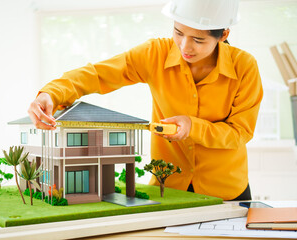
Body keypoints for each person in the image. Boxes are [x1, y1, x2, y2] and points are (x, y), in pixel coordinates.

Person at [28, 0, 263, 201]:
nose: (185, 46)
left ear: (223, 35)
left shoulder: (244, 67)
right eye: (178, 33)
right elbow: (98, 74)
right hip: (168, 188)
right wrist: (51, 93)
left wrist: (193, 127)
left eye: (198, 40)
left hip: (228, 191)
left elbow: (240, 132)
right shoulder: (155, 54)